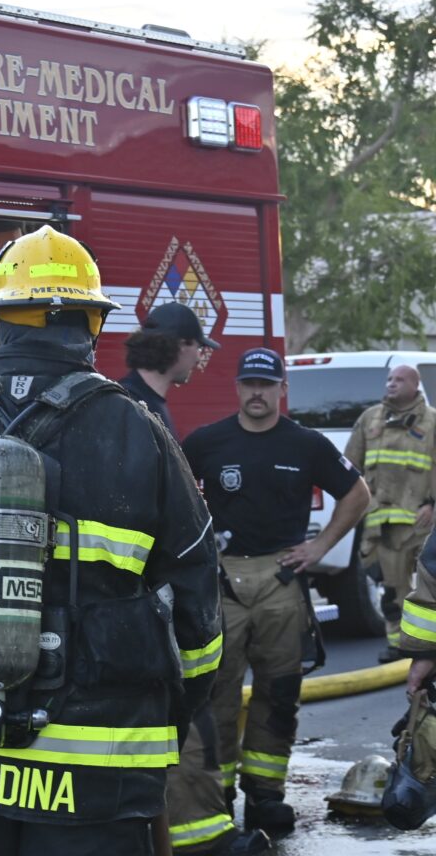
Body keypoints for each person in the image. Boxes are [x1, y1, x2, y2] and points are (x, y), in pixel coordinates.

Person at [0, 226, 223, 856]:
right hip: (94, 771)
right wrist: (171, 713)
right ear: (91, 326)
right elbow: (196, 604)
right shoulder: (137, 431)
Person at [182, 348, 370, 835]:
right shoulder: (206, 442)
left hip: (281, 580)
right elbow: (171, 494)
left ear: (282, 390)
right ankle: (216, 796)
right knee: (217, 693)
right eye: (250, 383)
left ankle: (266, 795)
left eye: (266, 385)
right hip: (222, 582)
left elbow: (358, 494)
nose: (257, 393)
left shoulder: (306, 444)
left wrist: (320, 546)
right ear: (238, 388)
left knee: (279, 692)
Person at [118, 311, 264, 855]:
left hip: (150, 597)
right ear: (177, 346)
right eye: (198, 347)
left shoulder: (141, 405)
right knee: (181, 715)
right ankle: (202, 841)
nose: (201, 358)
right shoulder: (134, 409)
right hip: (148, 599)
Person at [344, 364, 436, 663]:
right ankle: (399, 645)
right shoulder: (370, 419)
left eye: (399, 379)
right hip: (380, 523)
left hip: (421, 522)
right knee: (392, 589)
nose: (391, 384)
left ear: (415, 385)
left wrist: (432, 504)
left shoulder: (432, 422)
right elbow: (350, 466)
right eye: (389, 379)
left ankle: (427, 646)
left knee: (429, 587)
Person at [120, 300, 220, 438]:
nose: (198, 358)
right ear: (182, 345)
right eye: (198, 348)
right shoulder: (129, 405)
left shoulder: (139, 402)